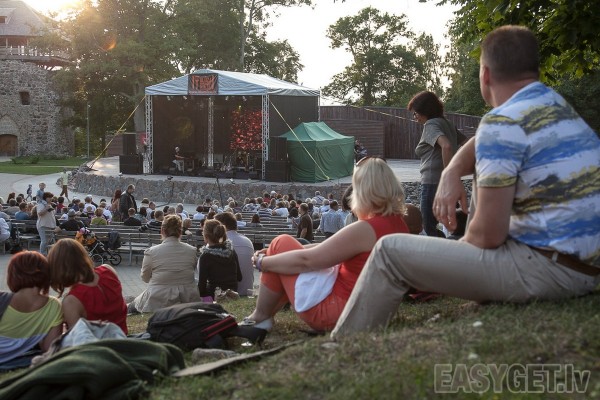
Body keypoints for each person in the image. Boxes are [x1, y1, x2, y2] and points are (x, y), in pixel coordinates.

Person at [331, 25, 600, 338]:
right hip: (585, 268)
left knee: (389, 251)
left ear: (485, 75)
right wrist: (452, 171)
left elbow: (487, 237)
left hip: (549, 272)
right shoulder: (557, 110)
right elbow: (481, 138)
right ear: (534, 70)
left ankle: (347, 342)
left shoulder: (502, 123)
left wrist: (447, 260)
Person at [241, 157, 409, 332]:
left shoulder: (365, 229)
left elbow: (308, 260)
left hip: (337, 312)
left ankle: (260, 316)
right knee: (279, 250)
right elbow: (327, 249)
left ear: (363, 191)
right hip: (371, 312)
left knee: (280, 241)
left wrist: (262, 262)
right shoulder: (399, 225)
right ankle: (264, 317)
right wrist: (274, 255)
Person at [48, 239, 127, 334]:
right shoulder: (108, 270)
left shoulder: (71, 301)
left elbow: (77, 338)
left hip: (98, 342)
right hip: (122, 337)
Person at [408, 91, 459, 237]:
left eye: (415, 112)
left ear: (425, 110)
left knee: (428, 227)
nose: (414, 116)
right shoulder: (447, 123)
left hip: (432, 183)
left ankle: (439, 250)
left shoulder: (430, 125)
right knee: (455, 224)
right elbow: (467, 143)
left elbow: (446, 146)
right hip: (451, 183)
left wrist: (447, 176)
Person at [0, 252, 63, 370]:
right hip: (21, 361)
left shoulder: (2, 300)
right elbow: (49, 348)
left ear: (13, 275)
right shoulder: (54, 306)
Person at [129, 215, 200, 313]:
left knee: (131, 307)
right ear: (180, 232)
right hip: (188, 298)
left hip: (158, 299)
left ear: (162, 230)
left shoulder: (151, 252)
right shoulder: (192, 251)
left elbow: (145, 278)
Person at [197, 219, 242, 299]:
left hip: (214, 297)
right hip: (232, 295)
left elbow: (202, 288)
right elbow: (239, 277)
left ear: (206, 236)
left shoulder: (205, 256)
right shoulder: (231, 251)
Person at [215, 212, 254, 296]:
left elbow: (201, 270)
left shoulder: (218, 242)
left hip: (226, 294)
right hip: (247, 291)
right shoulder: (247, 241)